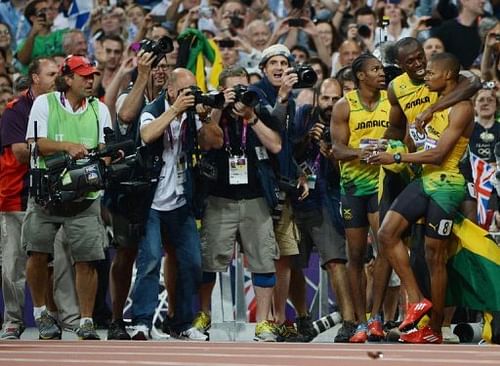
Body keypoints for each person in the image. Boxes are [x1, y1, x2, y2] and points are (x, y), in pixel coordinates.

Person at [368, 52, 474, 344]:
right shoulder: (431, 104)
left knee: (433, 256)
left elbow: (440, 155)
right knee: (387, 233)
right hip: (424, 180)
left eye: (431, 73)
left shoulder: (463, 108)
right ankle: (416, 299)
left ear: (449, 76)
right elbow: (420, 144)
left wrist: (398, 155)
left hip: (447, 184)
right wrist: (399, 142)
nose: (426, 77)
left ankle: (436, 328)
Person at [23, 55, 112, 340]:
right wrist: (67, 146)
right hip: (47, 194)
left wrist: (108, 158)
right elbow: (35, 143)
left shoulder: (100, 109)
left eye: (92, 76)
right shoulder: (44, 103)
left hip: (85, 196)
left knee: (87, 259)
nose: (90, 80)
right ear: (67, 78)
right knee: (37, 253)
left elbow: (104, 149)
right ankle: (41, 312)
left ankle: (86, 320)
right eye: (84, 76)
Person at [194, 66, 282, 342]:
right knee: (209, 261)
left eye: (243, 88)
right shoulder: (210, 114)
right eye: (233, 90)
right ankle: (204, 314)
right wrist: (219, 107)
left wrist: (251, 116)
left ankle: (263, 322)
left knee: (263, 260)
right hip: (219, 199)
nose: (239, 95)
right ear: (221, 90)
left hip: (256, 198)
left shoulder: (259, 111)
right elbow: (209, 142)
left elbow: (277, 146)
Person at [129, 68, 209, 341]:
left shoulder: (192, 115)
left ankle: (182, 322)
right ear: (172, 91)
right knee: (150, 259)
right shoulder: (152, 108)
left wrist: (206, 116)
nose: (192, 96)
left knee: (192, 262)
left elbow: (214, 141)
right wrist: (175, 110)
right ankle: (141, 321)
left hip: (180, 200)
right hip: (151, 201)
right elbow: (147, 135)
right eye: (188, 91)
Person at [105, 50, 169, 340]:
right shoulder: (129, 95)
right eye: (154, 66)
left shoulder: (172, 100)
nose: (159, 70)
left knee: (162, 256)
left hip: (163, 190)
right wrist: (141, 76)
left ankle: (166, 320)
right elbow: (126, 116)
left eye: (164, 66)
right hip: (129, 190)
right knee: (126, 254)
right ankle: (118, 317)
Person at [289, 78, 356, 342]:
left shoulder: (346, 121)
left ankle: (349, 321)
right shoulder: (304, 116)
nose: (329, 105)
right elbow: (288, 150)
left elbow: (347, 171)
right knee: (294, 261)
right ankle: (303, 319)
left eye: (334, 99)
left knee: (335, 260)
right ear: (317, 98)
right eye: (325, 99)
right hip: (297, 197)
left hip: (326, 198)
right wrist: (307, 140)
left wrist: (333, 158)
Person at [249, 44, 308, 341]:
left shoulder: (293, 101)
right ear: (263, 68)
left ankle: (281, 318)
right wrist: (283, 96)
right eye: (273, 62)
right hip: (261, 187)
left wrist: (299, 173)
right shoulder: (255, 94)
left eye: (284, 63)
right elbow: (269, 128)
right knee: (265, 255)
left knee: (284, 256)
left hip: (283, 185)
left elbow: (285, 143)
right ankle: (267, 318)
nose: (280, 67)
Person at [330, 53, 389, 343]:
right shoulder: (345, 105)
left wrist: (389, 149)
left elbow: (403, 137)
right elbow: (336, 150)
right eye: (375, 69)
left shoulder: (391, 103)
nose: (381, 73)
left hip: (380, 185)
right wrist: (360, 153)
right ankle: (360, 322)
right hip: (353, 188)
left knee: (384, 249)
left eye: (381, 68)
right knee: (355, 256)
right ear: (361, 76)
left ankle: (377, 316)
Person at [16, 0, 68, 75]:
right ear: (33, 18)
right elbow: (23, 60)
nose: (49, 12)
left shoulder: (63, 34)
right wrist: (33, 34)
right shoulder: (25, 42)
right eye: (43, 10)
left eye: (50, 9)